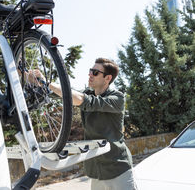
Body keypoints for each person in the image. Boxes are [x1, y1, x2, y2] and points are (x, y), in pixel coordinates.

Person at [27, 58, 137, 190]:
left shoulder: (117, 98)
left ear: (107, 78)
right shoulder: (87, 93)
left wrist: (48, 83)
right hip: (96, 171)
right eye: (91, 71)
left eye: (95, 72)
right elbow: (66, 95)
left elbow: (86, 101)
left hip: (118, 169)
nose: (90, 74)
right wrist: (36, 80)